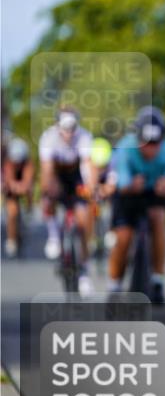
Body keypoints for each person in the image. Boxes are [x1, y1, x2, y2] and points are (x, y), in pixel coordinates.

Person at [108, 106, 165, 304]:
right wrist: (132, 185)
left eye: (155, 144)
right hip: (128, 191)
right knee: (123, 237)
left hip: (155, 193)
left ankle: (158, 279)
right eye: (145, 144)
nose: (150, 150)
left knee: (159, 219)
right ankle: (115, 283)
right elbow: (122, 185)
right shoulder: (125, 149)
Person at [38, 106, 97, 293]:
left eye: (72, 128)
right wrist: (50, 190)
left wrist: (90, 187)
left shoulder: (85, 137)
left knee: (84, 218)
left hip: (76, 177)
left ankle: (84, 272)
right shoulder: (48, 138)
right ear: (57, 126)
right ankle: (54, 236)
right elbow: (47, 171)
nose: (69, 133)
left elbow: (88, 166)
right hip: (57, 175)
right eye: (65, 128)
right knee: (48, 197)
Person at [3, 137, 35, 256]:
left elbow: (28, 182)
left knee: (30, 191)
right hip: (11, 188)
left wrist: (24, 187)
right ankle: (11, 240)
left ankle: (29, 210)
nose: (17, 164)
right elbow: (9, 181)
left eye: (20, 161)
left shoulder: (28, 164)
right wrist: (15, 186)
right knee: (12, 212)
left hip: (22, 186)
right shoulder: (8, 164)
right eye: (15, 161)